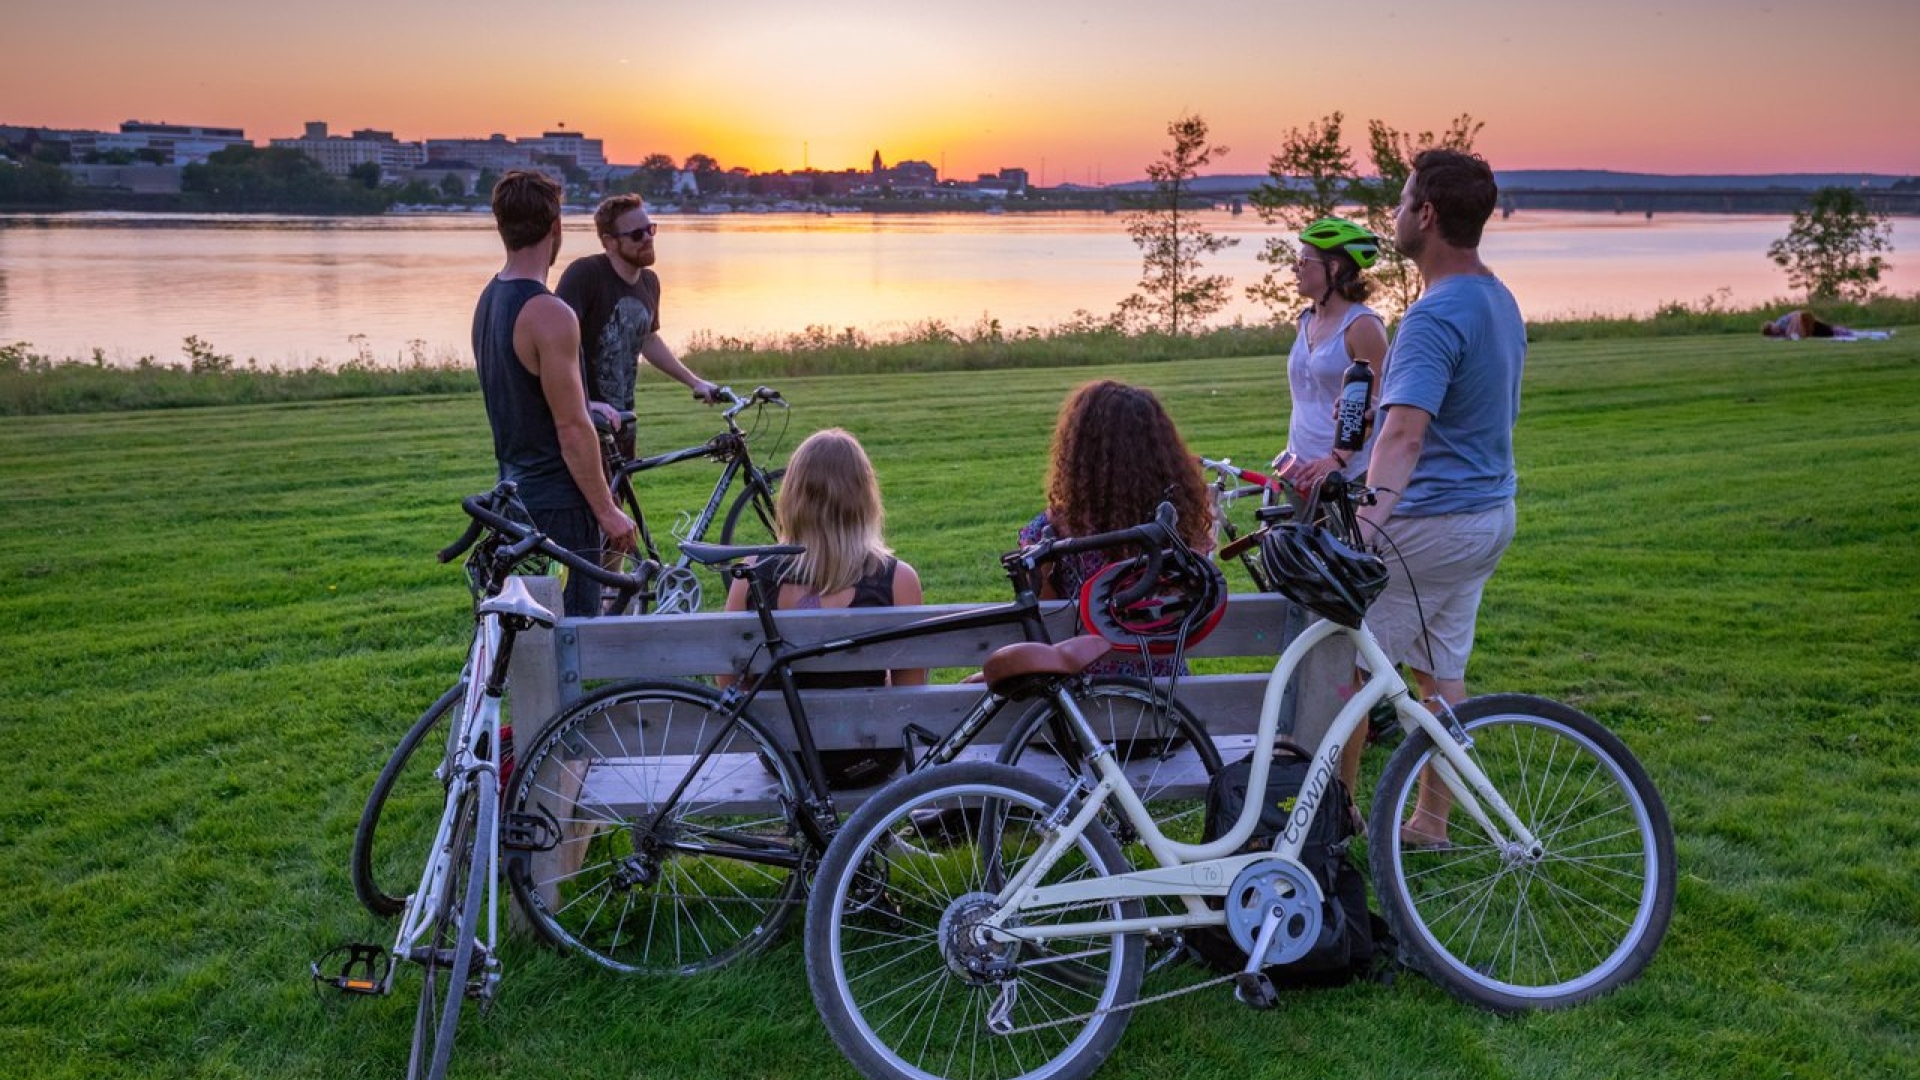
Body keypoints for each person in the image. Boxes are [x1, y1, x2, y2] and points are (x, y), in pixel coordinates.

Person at [1354, 149, 1527, 848]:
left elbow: (1402, 438)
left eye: (1400, 203)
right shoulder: (1498, 297)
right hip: (1489, 517)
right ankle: (1430, 824)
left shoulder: (1432, 317)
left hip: (1428, 524)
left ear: (1426, 216)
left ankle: (1335, 828)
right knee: (1439, 674)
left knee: (1338, 668)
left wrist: (1360, 534)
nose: (1392, 215)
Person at [472, 170, 637, 619]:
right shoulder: (549, 312)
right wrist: (608, 513)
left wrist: (586, 402)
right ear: (556, 227)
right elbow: (570, 428)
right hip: (559, 507)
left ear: (501, 227)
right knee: (569, 642)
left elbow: (527, 394)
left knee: (528, 642)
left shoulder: (490, 298)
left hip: (515, 495)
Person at [724, 428, 925, 789]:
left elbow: (729, 680)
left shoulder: (751, 573)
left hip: (784, 757)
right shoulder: (898, 580)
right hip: (869, 756)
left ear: (792, 497)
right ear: (865, 498)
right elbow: (908, 697)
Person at [1019, 380, 1214, 678]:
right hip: (1168, 699)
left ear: (1076, 453)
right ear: (1162, 453)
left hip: (1081, 703)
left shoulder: (1047, 533)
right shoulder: (1184, 529)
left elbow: (1047, 628)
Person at [556, 194, 720, 461]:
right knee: (590, 502)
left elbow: (649, 340)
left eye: (650, 229)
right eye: (636, 234)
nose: (647, 238)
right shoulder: (585, 275)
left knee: (619, 497)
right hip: (584, 421)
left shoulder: (649, 282)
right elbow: (556, 344)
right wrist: (583, 404)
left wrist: (695, 382)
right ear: (610, 242)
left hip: (622, 419)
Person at [1273, 217, 1390, 493]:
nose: (1294, 268)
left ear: (1333, 268)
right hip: (1300, 469)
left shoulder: (1363, 326)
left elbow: (1376, 406)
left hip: (1347, 474)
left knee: (1345, 539)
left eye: (1303, 261)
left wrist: (1336, 459)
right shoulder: (1304, 320)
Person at [1760, 310, 1891, 340]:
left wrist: (1793, 331)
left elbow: (1795, 316)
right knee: (1837, 331)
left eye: (1773, 326)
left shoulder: (1782, 322)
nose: (1775, 328)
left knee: (1838, 331)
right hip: (1811, 328)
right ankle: (1880, 334)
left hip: (1810, 326)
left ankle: (1880, 334)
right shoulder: (1779, 330)